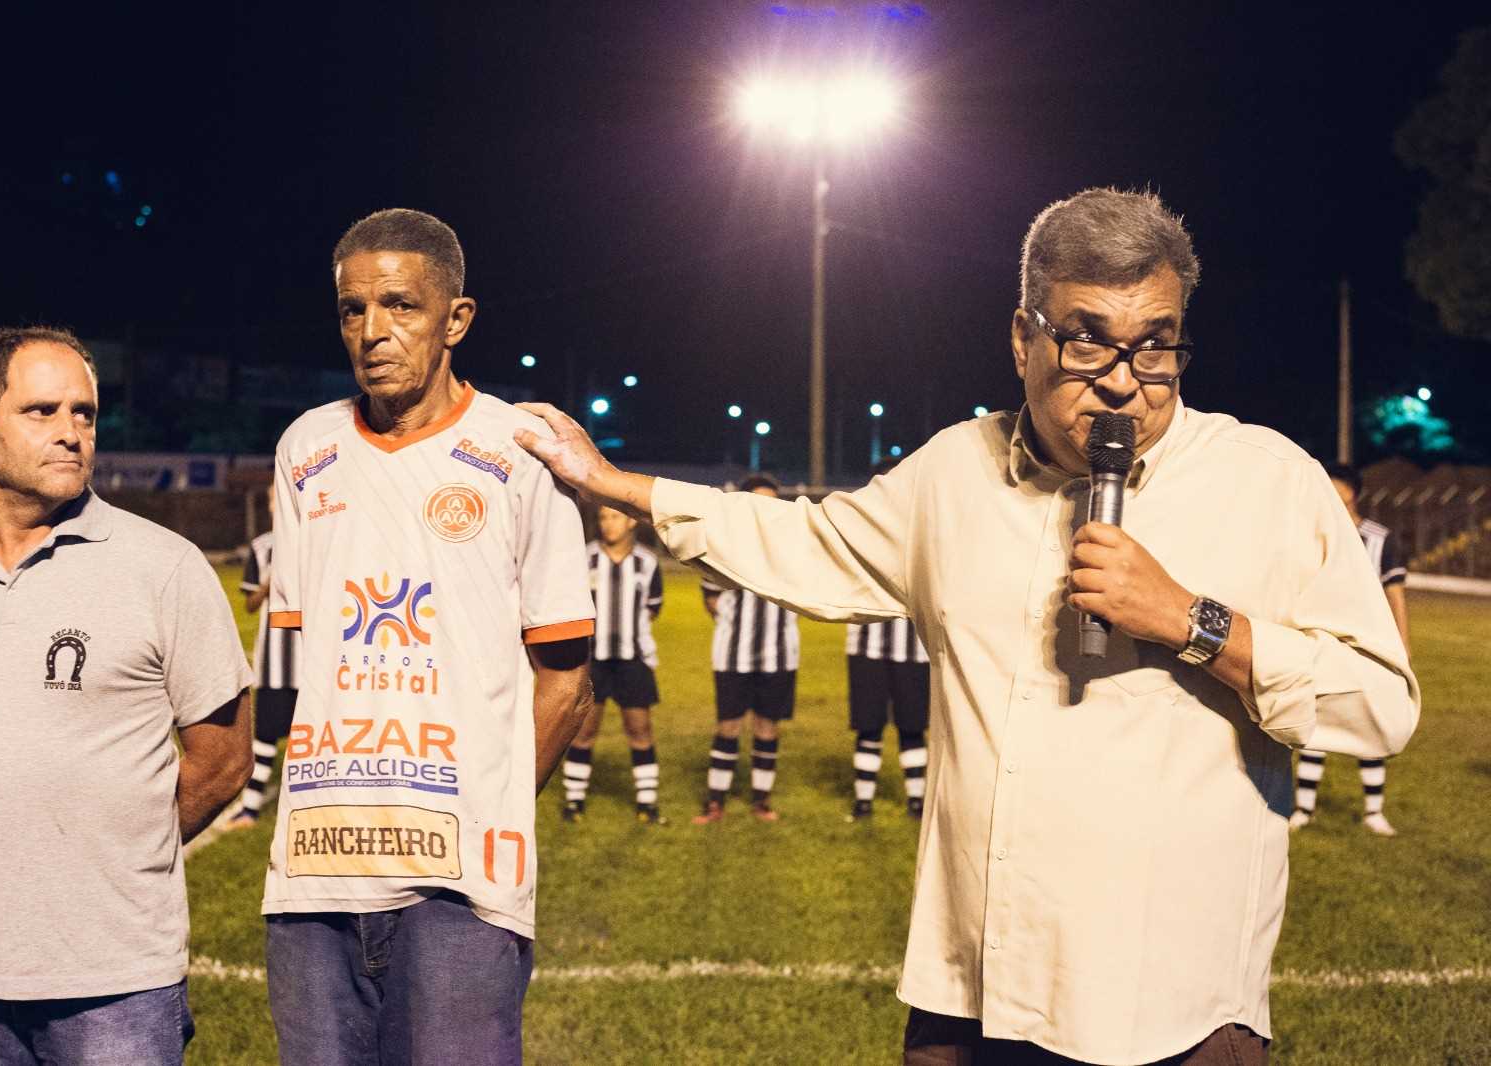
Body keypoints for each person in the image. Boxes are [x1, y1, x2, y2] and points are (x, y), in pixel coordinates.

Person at [515, 188, 1419, 1065]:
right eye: (1088, 341)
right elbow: (804, 539)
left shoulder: (1269, 481)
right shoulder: (954, 472)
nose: (1123, 382)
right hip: (972, 992)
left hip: (1175, 1007)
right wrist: (613, 484)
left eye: (1154, 349)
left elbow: (1381, 705)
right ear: (1023, 337)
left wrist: (1195, 621)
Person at [261, 208, 594, 1066]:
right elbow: (311, 663)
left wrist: (489, 810)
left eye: (401, 306)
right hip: (315, 870)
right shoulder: (305, 450)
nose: (373, 332)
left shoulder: (520, 451)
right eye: (352, 310)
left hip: (461, 886)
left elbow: (566, 681)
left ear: (456, 319)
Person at [0, 326, 253, 1065]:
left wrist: (115, 848)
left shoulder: (165, 567)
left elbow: (223, 760)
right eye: (43, 411)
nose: (71, 433)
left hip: (119, 981)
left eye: (84, 414)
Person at [1290, 462, 1411, 836]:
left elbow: (1395, 594)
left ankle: (1374, 811)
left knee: (1369, 721)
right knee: (1317, 720)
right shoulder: (1311, 534)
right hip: (1323, 640)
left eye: (1334, 489)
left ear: (1351, 494)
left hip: (1367, 645)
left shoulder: (1378, 539)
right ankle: (1302, 809)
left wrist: (1402, 644)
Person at [693, 474, 800, 825]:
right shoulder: (725, 546)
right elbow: (710, 597)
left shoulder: (791, 549)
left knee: (768, 727)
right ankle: (715, 802)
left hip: (779, 653)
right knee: (728, 725)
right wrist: (733, 624)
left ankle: (761, 801)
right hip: (732, 655)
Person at [561, 504, 667, 824]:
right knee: (584, 731)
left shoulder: (647, 563)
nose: (608, 524)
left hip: (632, 660)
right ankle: (573, 802)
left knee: (640, 729)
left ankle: (647, 803)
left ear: (631, 521)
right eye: (603, 517)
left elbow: (652, 608)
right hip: (592, 661)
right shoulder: (584, 558)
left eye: (615, 517)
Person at [844, 457, 930, 822]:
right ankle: (863, 800)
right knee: (869, 724)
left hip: (915, 649)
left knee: (913, 725)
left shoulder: (928, 530)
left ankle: (916, 800)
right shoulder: (857, 529)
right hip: (867, 646)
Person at [223, 486, 302, 831]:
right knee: (266, 735)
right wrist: (269, 584)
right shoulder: (261, 547)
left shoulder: (322, 537)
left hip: (317, 660)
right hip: (275, 661)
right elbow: (251, 604)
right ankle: (250, 809)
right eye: (273, 498)